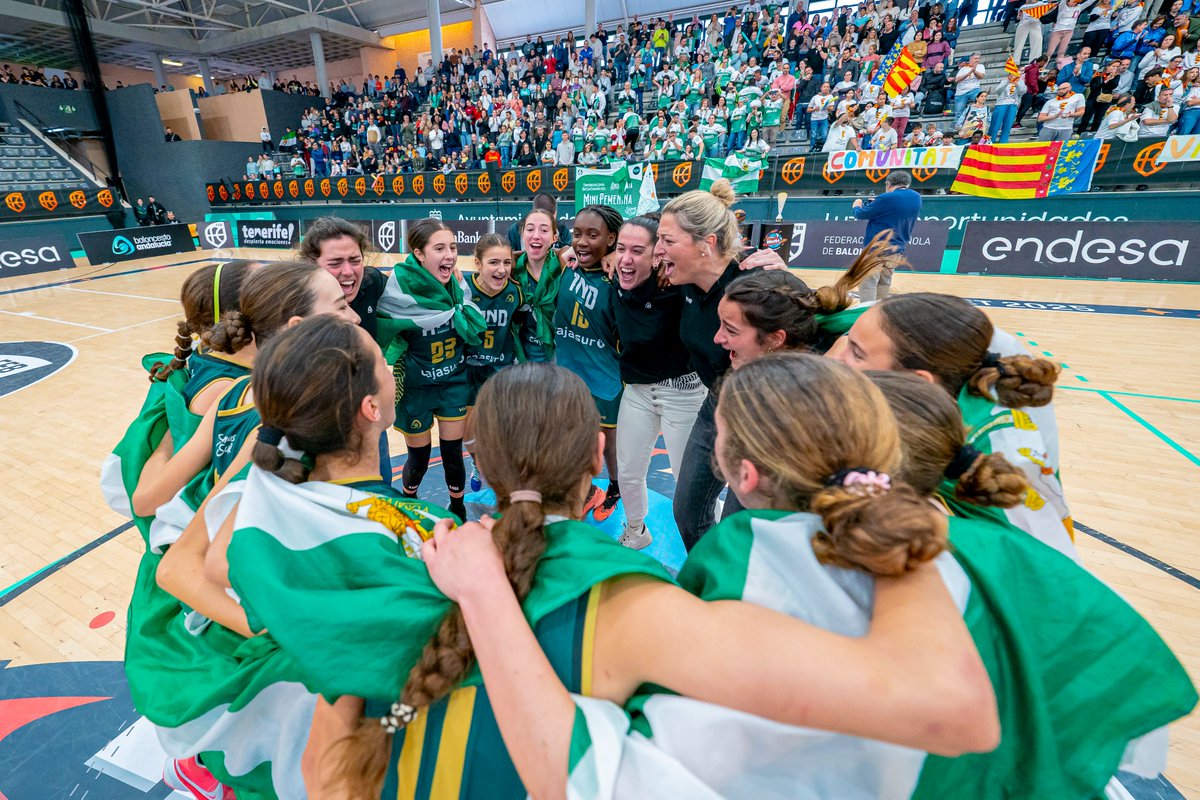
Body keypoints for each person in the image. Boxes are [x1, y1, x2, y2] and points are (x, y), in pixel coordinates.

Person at [414, 355, 1195, 799]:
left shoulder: (737, 560)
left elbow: (598, 767)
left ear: (741, 477)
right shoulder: (1003, 548)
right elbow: (1128, 729)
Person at [290, 361, 999, 798]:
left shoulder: (396, 571)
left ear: (481, 459)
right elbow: (948, 710)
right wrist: (895, 517)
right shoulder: (642, 603)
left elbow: (325, 773)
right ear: (597, 458)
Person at [831, 293, 1076, 558]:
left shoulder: (999, 451)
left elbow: (1032, 566)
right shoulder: (937, 374)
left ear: (918, 381)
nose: (835, 359)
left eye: (855, 353)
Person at [377, 218, 485, 521]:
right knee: (420, 457)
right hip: (415, 388)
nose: (449, 254)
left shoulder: (458, 285)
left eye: (452, 247)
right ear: (419, 254)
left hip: (452, 381)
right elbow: (384, 330)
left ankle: (459, 508)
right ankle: (409, 502)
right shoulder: (395, 290)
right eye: (439, 248)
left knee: (453, 453)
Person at [611, 215, 707, 550]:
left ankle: (707, 548)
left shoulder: (680, 286)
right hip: (637, 389)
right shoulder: (614, 279)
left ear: (657, 255)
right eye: (621, 248)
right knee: (629, 472)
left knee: (690, 483)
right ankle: (636, 531)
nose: (626, 258)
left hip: (683, 390)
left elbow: (719, 273)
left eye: (637, 251)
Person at [555, 205, 625, 522]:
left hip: (605, 381)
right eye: (577, 234)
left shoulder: (618, 282)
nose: (581, 242)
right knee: (571, 440)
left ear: (612, 238)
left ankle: (614, 486)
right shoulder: (566, 268)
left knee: (608, 446)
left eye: (592, 235)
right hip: (567, 375)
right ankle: (584, 491)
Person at [461, 234, 539, 492]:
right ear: (477, 263)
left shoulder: (515, 291)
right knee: (468, 433)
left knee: (508, 431)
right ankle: (476, 461)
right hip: (468, 370)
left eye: (507, 262)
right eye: (494, 262)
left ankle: (512, 480)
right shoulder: (462, 289)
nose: (502, 269)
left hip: (502, 370)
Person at [851, 171, 921, 302]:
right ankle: (879, 313)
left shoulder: (885, 198)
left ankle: (867, 314)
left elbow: (860, 214)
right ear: (907, 184)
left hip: (876, 249)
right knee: (884, 283)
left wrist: (857, 205)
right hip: (897, 249)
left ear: (888, 184)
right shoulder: (916, 197)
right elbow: (891, 212)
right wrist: (876, 204)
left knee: (867, 282)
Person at [952, 53, 987, 126]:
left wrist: (974, 71)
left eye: (978, 58)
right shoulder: (963, 68)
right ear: (970, 59)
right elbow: (956, 80)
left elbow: (981, 76)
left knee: (980, 100)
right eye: (975, 58)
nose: (977, 60)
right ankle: (958, 127)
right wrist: (967, 74)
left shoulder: (980, 66)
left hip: (974, 90)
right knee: (958, 113)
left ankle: (980, 122)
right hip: (961, 92)